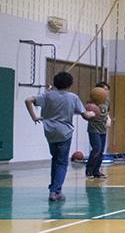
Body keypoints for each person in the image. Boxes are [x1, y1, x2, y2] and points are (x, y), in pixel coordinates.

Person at [24, 71, 96, 201]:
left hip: (50, 132)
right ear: (70, 84)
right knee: (62, 162)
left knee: (55, 159)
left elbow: (28, 100)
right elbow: (85, 116)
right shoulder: (72, 97)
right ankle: (55, 191)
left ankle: (54, 188)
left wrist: (34, 117)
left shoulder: (46, 95)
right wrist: (92, 114)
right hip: (64, 133)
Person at [86, 82, 111, 179]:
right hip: (94, 128)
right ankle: (89, 170)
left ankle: (96, 171)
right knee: (96, 148)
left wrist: (108, 119)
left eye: (107, 90)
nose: (106, 92)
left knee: (101, 151)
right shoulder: (92, 102)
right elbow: (87, 112)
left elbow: (107, 112)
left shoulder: (107, 101)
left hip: (103, 129)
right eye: (104, 89)